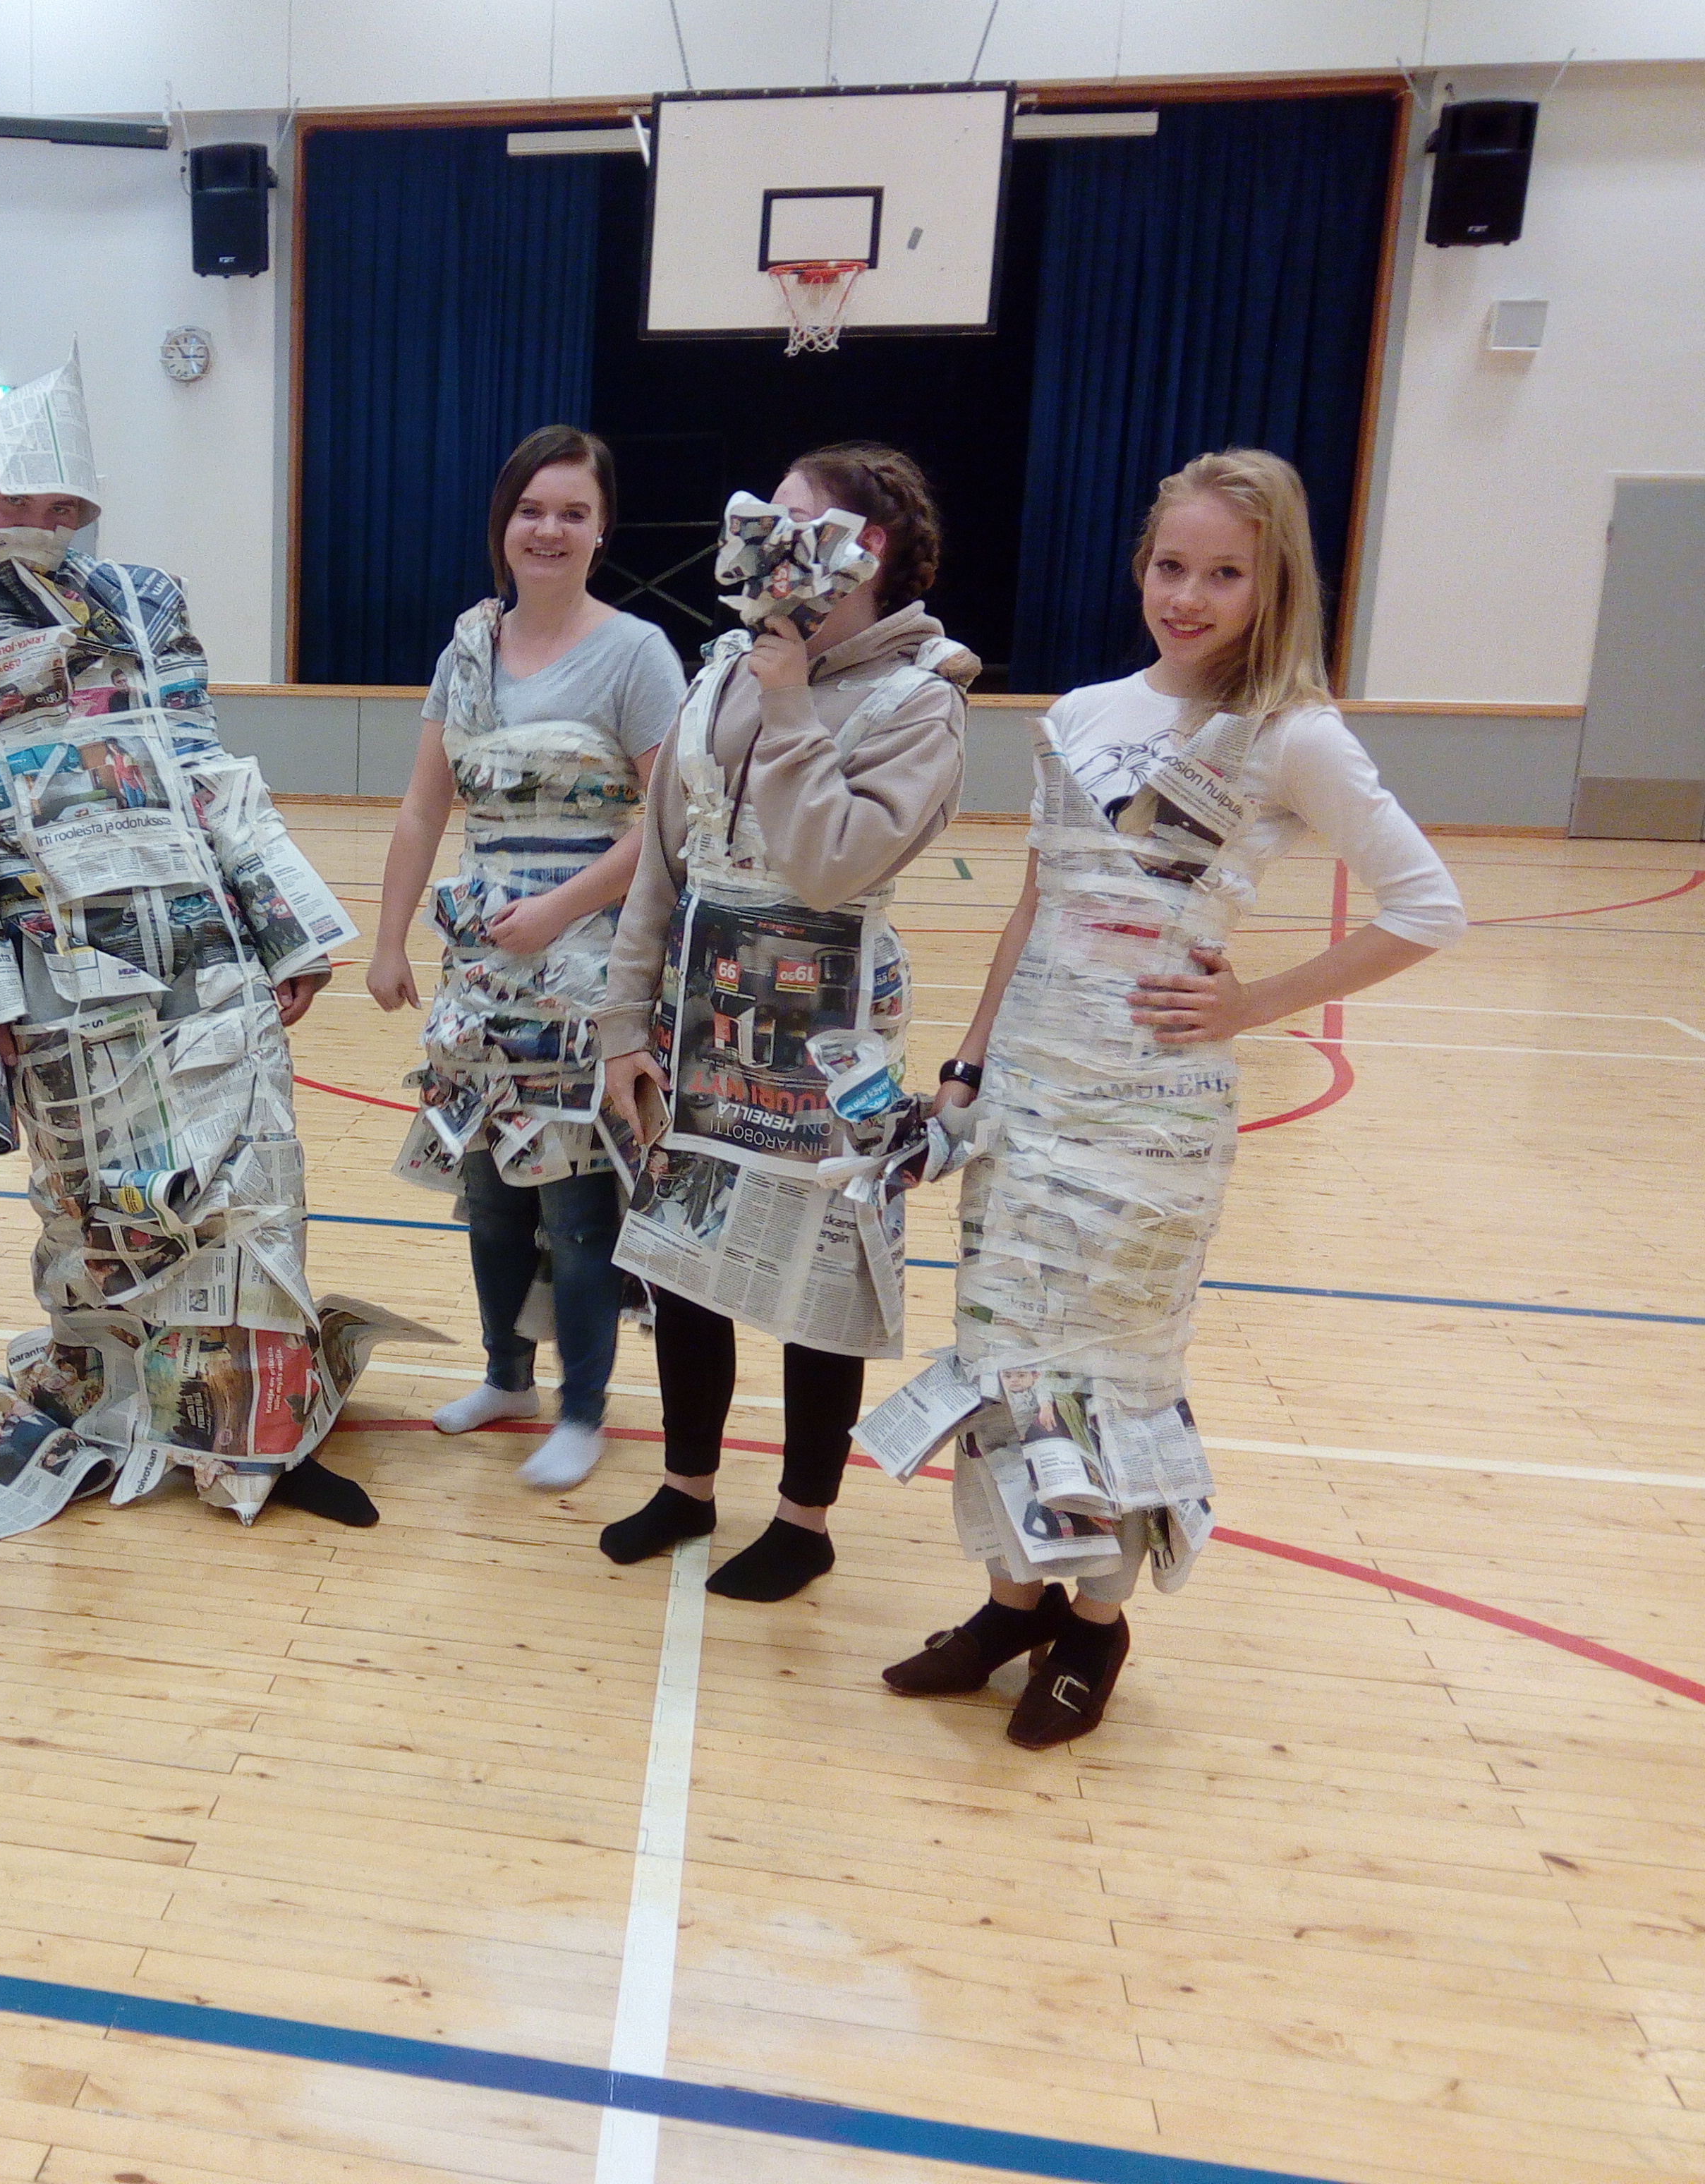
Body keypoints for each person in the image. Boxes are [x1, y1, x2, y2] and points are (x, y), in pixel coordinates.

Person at [882, 447, 1462, 1747]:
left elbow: (1429, 906)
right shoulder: (1087, 711)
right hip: (1030, 1100)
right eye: (1171, 566)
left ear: (1274, 584)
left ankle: (1096, 1625)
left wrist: (1252, 1005)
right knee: (1007, 1357)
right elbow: (1036, 904)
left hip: (1153, 1118)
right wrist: (971, 1064)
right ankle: (1013, 1603)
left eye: (1225, 574)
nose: (1188, 597)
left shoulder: (1292, 734)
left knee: (1113, 1369)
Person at [0, 356, 395, 1528]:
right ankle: (119, 1401)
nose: (48, 523)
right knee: (95, 1199)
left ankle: (262, 1435)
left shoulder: (140, 602)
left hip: (203, 938)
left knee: (256, 1181)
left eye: (67, 505)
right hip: (57, 962)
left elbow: (203, 764)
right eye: (25, 498)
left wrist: (285, 926)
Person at [595, 444, 978, 1598]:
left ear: (865, 550)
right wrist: (623, 1023)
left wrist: (793, 701)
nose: (765, 539)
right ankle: (688, 1486)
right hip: (700, 1010)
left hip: (833, 1029)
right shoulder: (722, 671)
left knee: (819, 1273)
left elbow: (829, 861)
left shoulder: (923, 701)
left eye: (795, 521)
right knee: (684, 1256)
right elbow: (663, 864)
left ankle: (804, 1521)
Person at [368, 425, 681, 1489]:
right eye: (532, 510)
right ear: (504, 523)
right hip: (480, 975)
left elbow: (671, 824)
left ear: (602, 529)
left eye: (573, 513)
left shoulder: (637, 654)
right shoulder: (466, 652)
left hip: (588, 967)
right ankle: (506, 1376)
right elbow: (423, 808)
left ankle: (584, 1408)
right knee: (491, 1188)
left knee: (576, 1203)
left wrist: (556, 911)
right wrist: (389, 941)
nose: (549, 530)